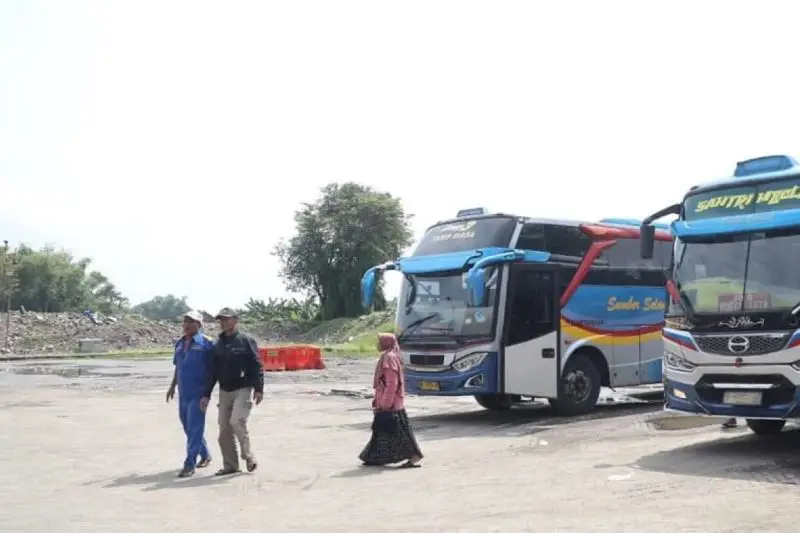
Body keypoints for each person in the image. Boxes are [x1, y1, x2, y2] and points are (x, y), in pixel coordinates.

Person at [200, 308, 264, 476]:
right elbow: (213, 371)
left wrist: (259, 389)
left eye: (226, 319)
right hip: (225, 389)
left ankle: (249, 457)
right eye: (220, 319)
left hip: (243, 387)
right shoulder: (218, 344)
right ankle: (230, 465)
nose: (222, 322)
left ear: (235, 321)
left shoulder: (246, 341)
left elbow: (256, 365)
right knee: (224, 430)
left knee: (236, 420)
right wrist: (206, 394)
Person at [359, 332, 424, 468]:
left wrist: (386, 404)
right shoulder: (389, 356)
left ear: (386, 343)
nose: (377, 344)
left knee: (397, 433)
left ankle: (414, 456)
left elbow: (392, 384)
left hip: (391, 404)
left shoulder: (389, 358)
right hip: (389, 402)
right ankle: (373, 456)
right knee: (382, 431)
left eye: (379, 341)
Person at [166, 310, 215, 478]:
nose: (186, 324)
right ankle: (206, 454)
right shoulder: (179, 343)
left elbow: (213, 370)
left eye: (191, 321)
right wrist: (172, 386)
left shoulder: (206, 344)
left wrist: (207, 393)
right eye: (185, 321)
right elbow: (178, 367)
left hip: (199, 393)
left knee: (195, 428)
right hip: (183, 393)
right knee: (188, 427)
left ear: (199, 325)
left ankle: (189, 464)